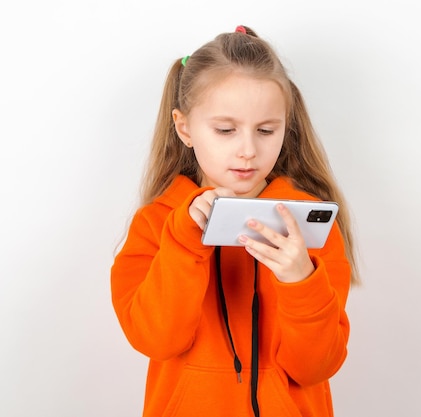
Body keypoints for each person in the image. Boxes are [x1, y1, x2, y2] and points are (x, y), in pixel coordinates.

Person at [110, 25, 359, 417]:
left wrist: (300, 281)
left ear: (285, 127)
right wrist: (184, 240)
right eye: (225, 130)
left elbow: (315, 368)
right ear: (184, 127)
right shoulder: (157, 223)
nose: (247, 150)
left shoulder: (309, 227)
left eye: (265, 130)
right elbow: (156, 340)